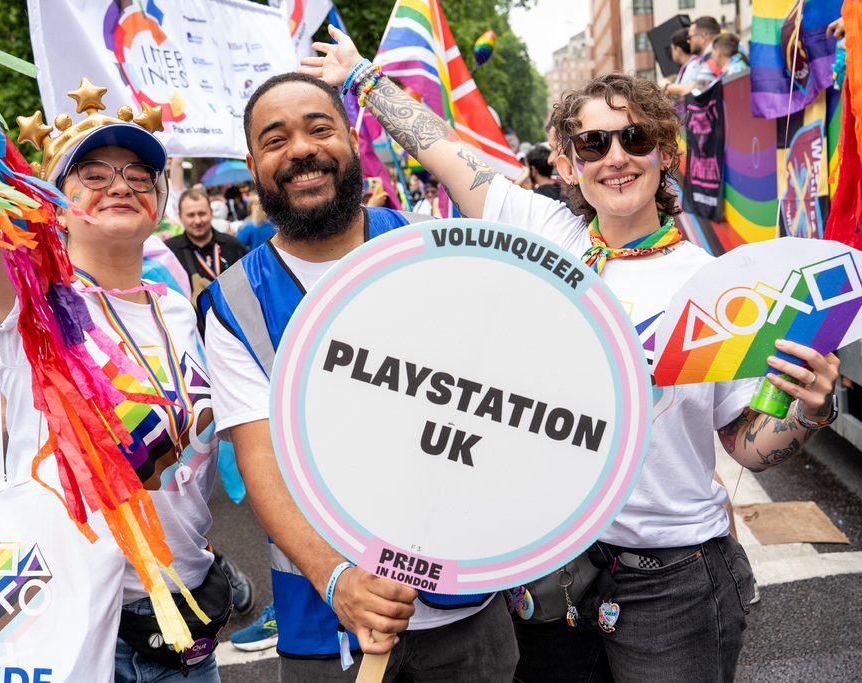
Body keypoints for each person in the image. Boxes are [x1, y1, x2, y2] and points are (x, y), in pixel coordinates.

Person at [304, 27, 840, 682]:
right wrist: (362, 77)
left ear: (667, 153)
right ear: (569, 163)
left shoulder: (713, 287)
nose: (616, 156)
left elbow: (746, 444)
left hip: (671, 579)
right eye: (594, 142)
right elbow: (441, 149)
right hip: (553, 575)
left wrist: (807, 410)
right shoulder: (542, 232)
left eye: (635, 138)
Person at [0, 3, 226, 680]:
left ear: (161, 197)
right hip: (62, 626)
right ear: (56, 199)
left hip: (183, 634)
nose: (120, 182)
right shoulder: (30, 304)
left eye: (138, 173)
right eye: (93, 172)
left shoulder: (178, 308)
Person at [201, 71, 518, 681]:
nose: (300, 150)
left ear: (351, 138)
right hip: (329, 626)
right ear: (253, 165)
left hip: (466, 612)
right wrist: (337, 579)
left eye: (319, 129)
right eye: (275, 140)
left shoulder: (431, 250)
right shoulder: (234, 302)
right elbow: (262, 466)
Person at [166, 188, 249, 303]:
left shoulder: (234, 246)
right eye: (191, 215)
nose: (198, 220)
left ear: (211, 212)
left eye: (202, 213)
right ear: (180, 216)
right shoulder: (169, 252)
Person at [659, 28, 699, 97]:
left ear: (677, 49)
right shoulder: (687, 66)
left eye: (672, 48)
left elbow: (688, 89)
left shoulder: (695, 65)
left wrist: (666, 86)